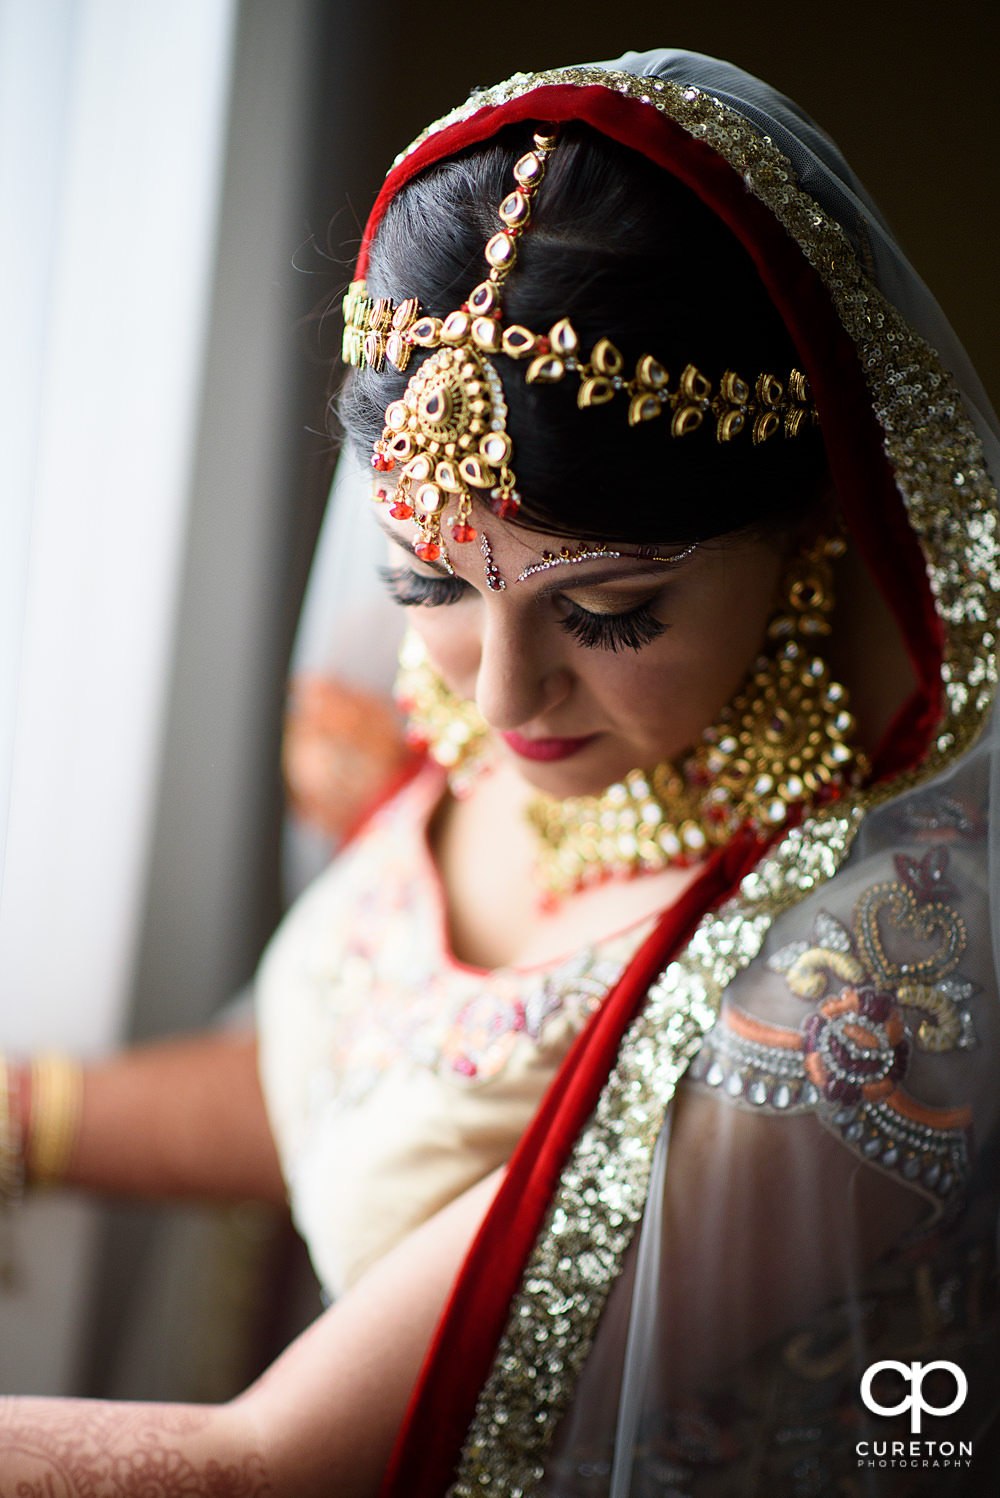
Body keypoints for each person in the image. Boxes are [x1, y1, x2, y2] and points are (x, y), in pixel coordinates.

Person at [1, 46, 998, 1497]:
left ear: (808, 526)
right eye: (429, 581)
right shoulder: (509, 725)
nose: (500, 687)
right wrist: (36, 1118)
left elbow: (272, 1463)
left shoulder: (872, 986)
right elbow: (356, 1082)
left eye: (609, 610)